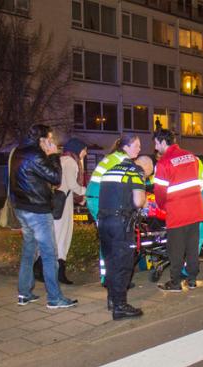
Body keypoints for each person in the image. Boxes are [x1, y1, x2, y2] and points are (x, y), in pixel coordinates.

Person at [10, 124, 77, 309]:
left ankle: (24, 293)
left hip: (22, 208)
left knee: (29, 252)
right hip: (38, 210)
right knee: (50, 255)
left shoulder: (18, 152)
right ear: (42, 139)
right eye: (49, 138)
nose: (51, 141)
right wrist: (54, 156)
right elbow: (55, 178)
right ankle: (54, 298)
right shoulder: (36, 154)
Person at [152, 129, 203, 292]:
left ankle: (175, 283)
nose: (155, 147)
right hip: (195, 209)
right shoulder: (191, 156)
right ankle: (192, 280)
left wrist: (162, 206)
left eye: (156, 143)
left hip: (177, 212)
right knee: (191, 246)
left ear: (163, 142)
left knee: (175, 249)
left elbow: (160, 192)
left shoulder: (163, 162)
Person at [97, 139, 145, 320]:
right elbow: (139, 201)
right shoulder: (135, 171)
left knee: (110, 261)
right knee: (123, 265)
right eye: (137, 145)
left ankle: (112, 299)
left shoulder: (109, 171)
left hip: (103, 221)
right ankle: (120, 306)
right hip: (121, 223)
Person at [85, 134, 138, 285]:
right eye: (136, 146)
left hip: (95, 198)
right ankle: (112, 278)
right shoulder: (122, 160)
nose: (139, 149)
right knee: (113, 241)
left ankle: (108, 277)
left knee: (107, 239)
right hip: (100, 200)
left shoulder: (113, 157)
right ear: (126, 147)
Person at [50, 137, 88, 285]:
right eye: (84, 150)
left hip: (59, 203)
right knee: (63, 238)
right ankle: (59, 273)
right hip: (63, 206)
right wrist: (87, 191)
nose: (85, 153)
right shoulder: (71, 162)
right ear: (78, 149)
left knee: (57, 237)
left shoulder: (62, 160)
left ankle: (51, 271)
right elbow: (73, 185)